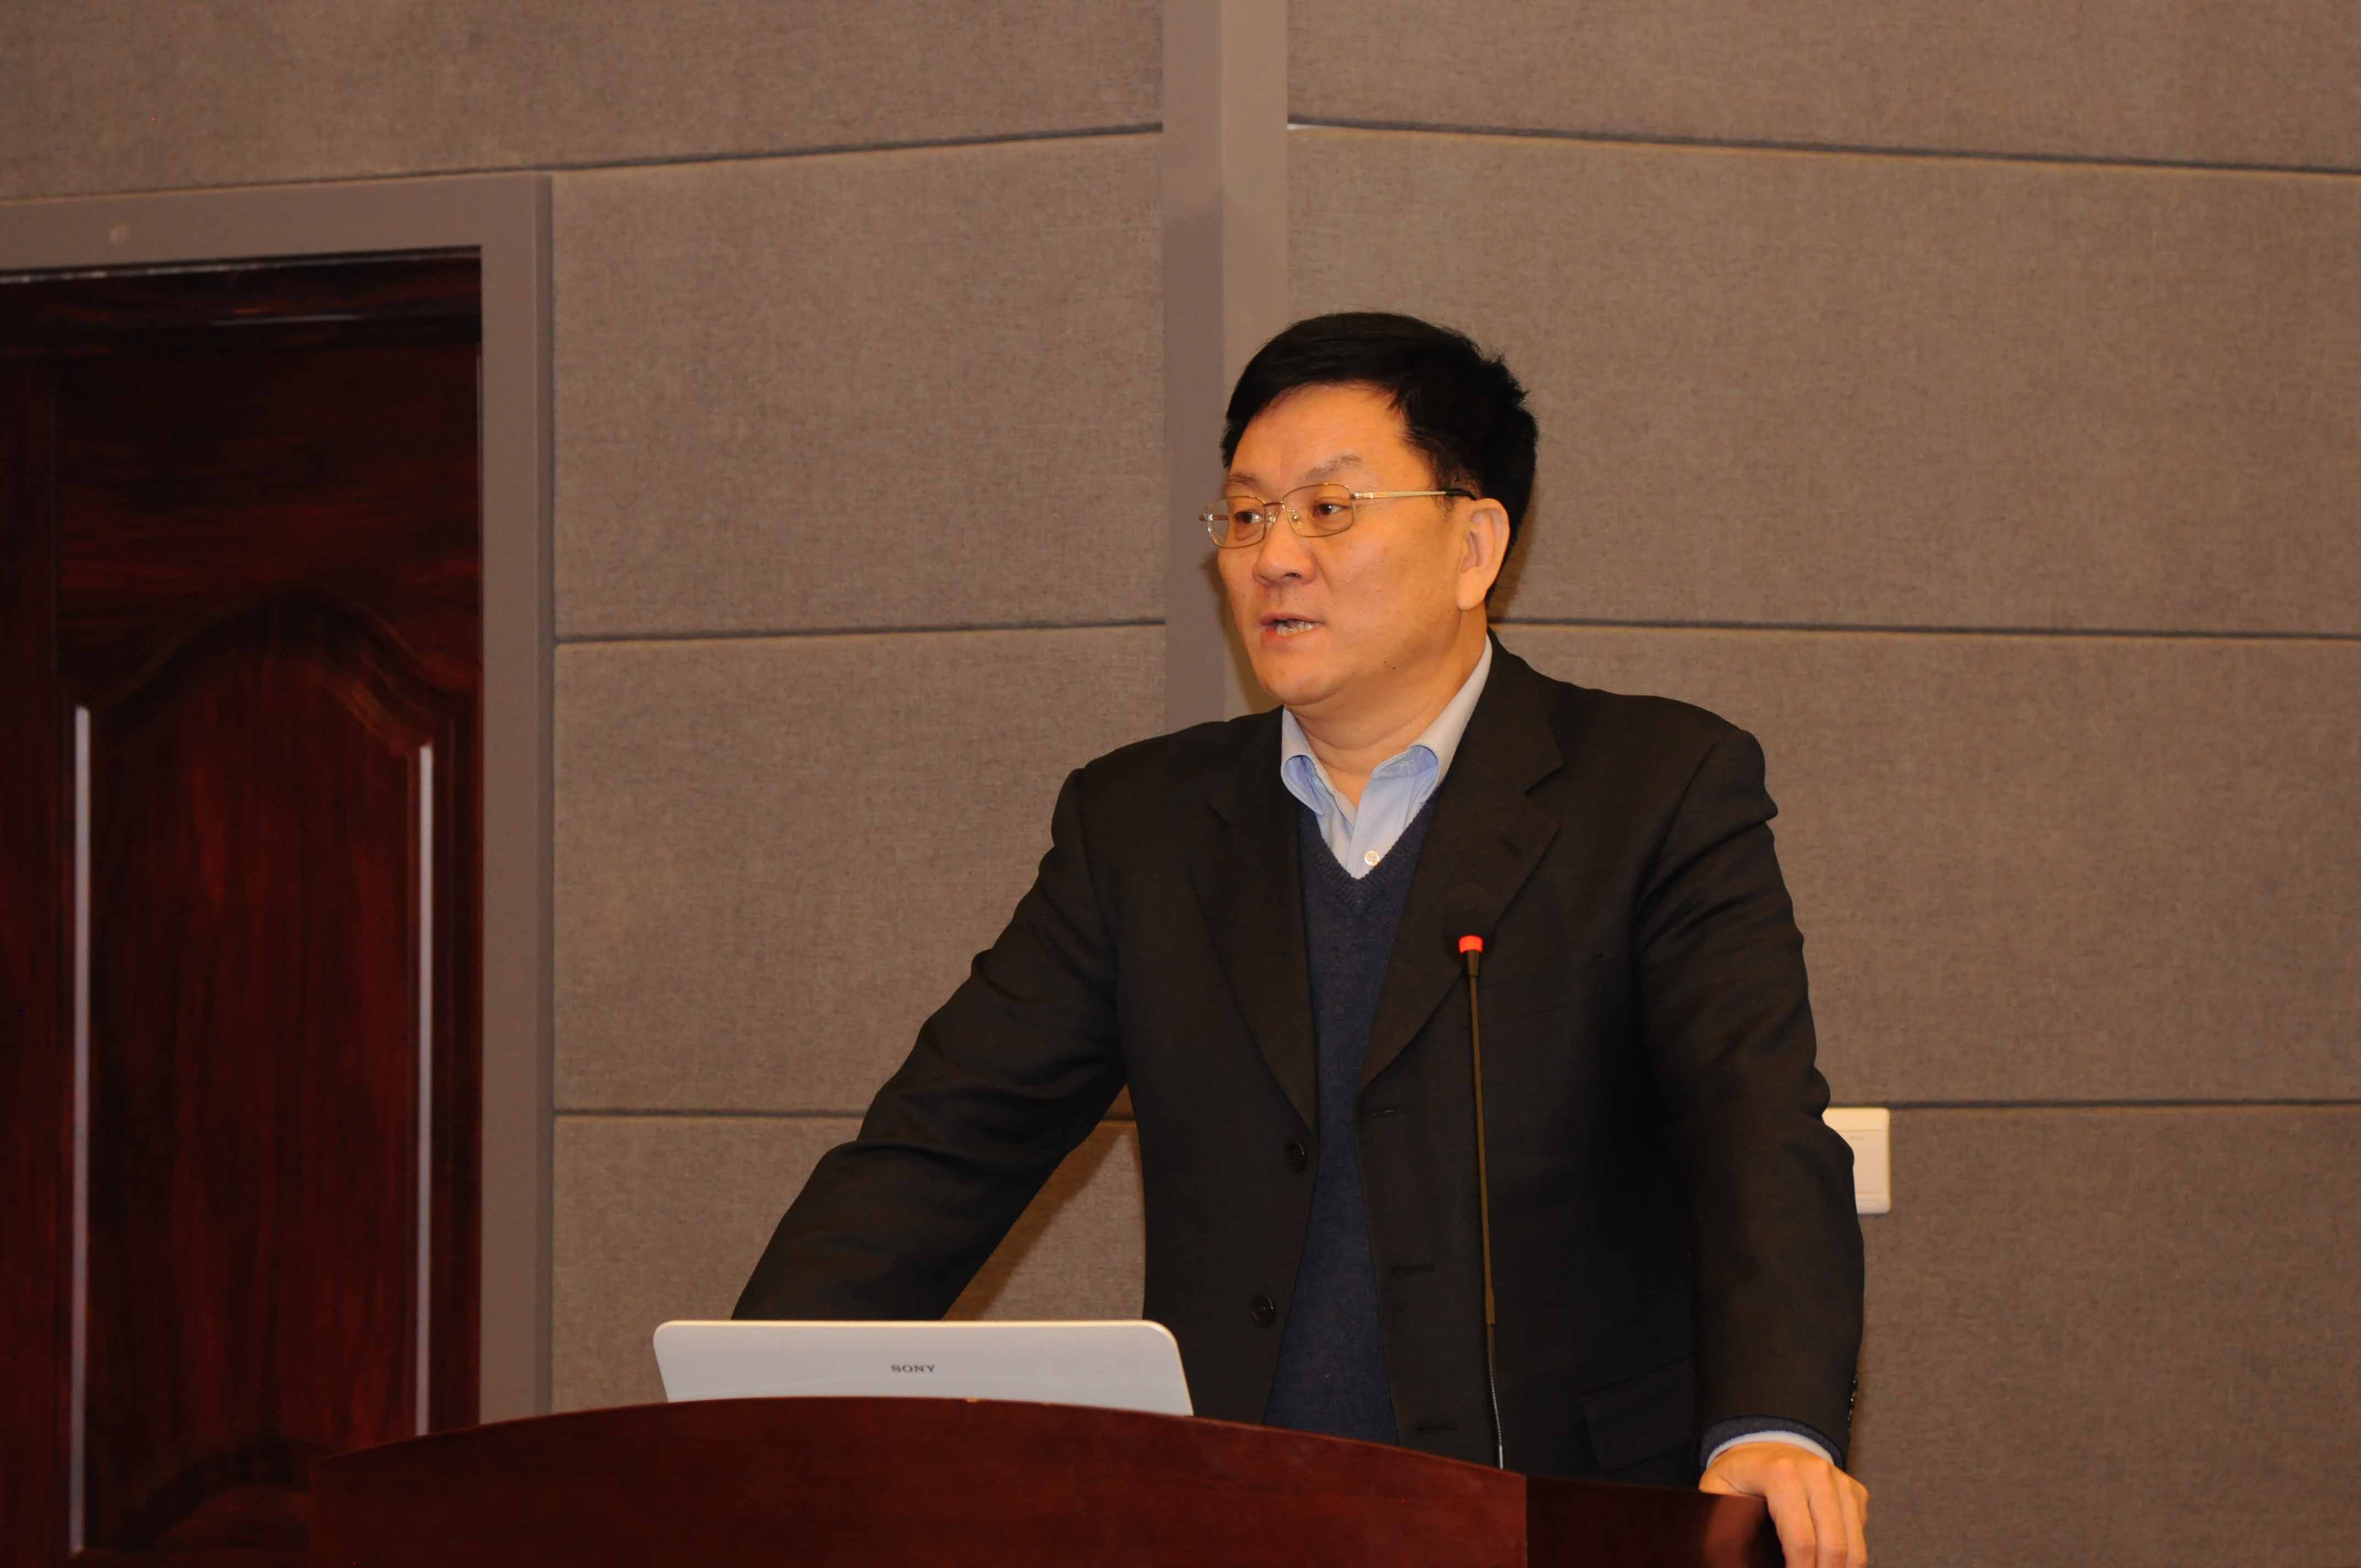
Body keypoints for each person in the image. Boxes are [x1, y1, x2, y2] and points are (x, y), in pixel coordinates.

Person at [737, 313, 1869, 1567]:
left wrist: (1773, 1424)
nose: (1274, 557)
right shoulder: (1143, 826)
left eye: (1329, 510)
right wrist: (746, 1402)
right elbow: (943, 1141)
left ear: (1474, 547)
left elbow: (1754, 1128)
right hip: (1232, 1517)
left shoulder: (1653, 789)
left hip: (1559, 1514)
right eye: (1245, 516)